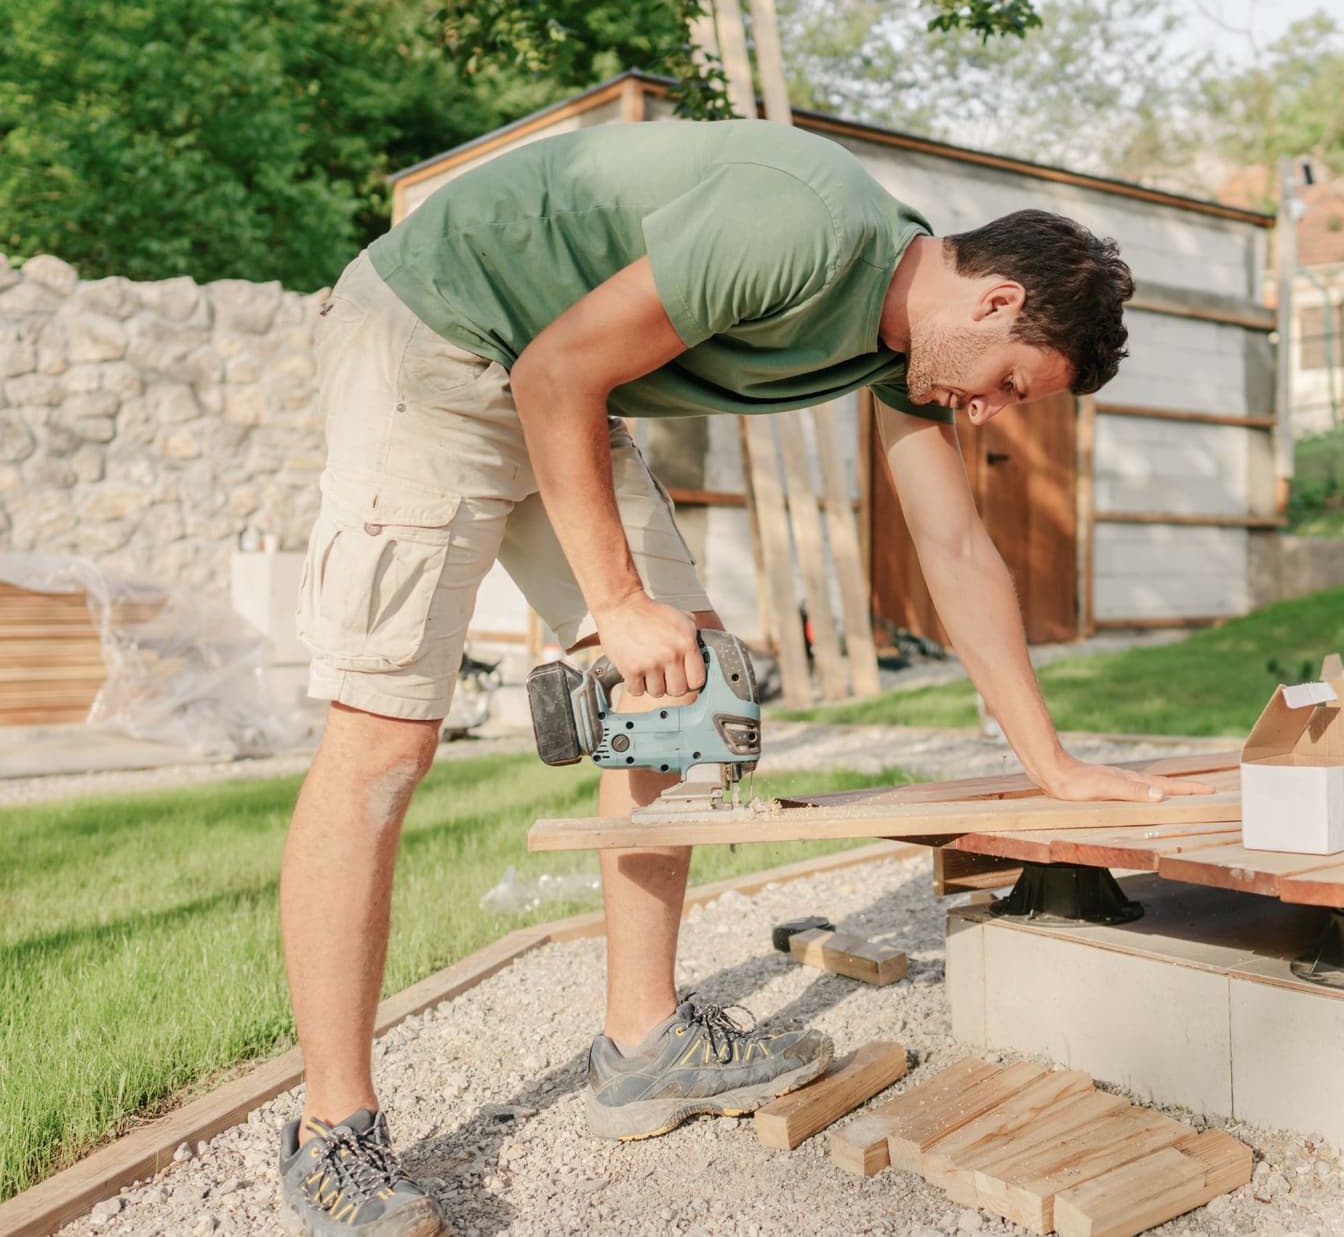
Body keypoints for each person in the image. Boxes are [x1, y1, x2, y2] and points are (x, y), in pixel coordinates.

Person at [277, 117, 1209, 1236]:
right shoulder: (802, 225)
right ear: (998, 301)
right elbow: (555, 370)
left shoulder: (905, 349)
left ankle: (643, 1044)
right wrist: (616, 606)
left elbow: (958, 554)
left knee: (687, 698)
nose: (989, 411)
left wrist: (1049, 766)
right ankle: (332, 1131)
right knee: (385, 740)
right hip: (429, 338)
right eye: (1011, 384)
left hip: (544, 370)